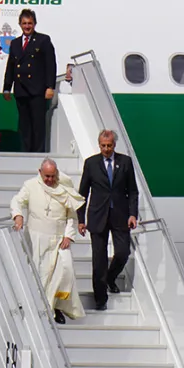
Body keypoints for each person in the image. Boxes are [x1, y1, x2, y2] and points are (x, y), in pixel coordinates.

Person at [11, 158, 86, 324]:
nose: (50, 180)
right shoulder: (30, 185)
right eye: (47, 176)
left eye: (53, 176)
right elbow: (17, 201)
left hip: (59, 239)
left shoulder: (64, 188)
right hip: (36, 238)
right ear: (40, 172)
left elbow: (71, 216)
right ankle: (44, 309)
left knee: (65, 271)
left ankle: (57, 306)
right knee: (41, 275)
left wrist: (68, 235)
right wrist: (18, 215)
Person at [77, 130, 139, 311]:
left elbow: (133, 191)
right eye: (103, 145)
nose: (106, 149)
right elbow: (82, 193)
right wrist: (80, 219)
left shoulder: (125, 162)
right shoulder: (91, 163)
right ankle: (100, 299)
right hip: (97, 216)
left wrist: (133, 213)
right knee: (99, 260)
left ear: (114, 145)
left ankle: (111, 277)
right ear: (99, 145)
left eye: (109, 145)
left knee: (122, 253)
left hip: (120, 215)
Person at [2, 9, 57, 153]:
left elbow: (50, 65)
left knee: (38, 124)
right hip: (21, 90)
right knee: (24, 124)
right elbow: (11, 66)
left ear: (35, 24)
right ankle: (25, 152)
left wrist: (50, 86)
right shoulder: (14, 43)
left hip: (37, 90)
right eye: (24, 23)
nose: (27, 26)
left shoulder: (43, 40)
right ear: (20, 24)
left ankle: (38, 153)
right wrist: (7, 87)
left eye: (30, 23)